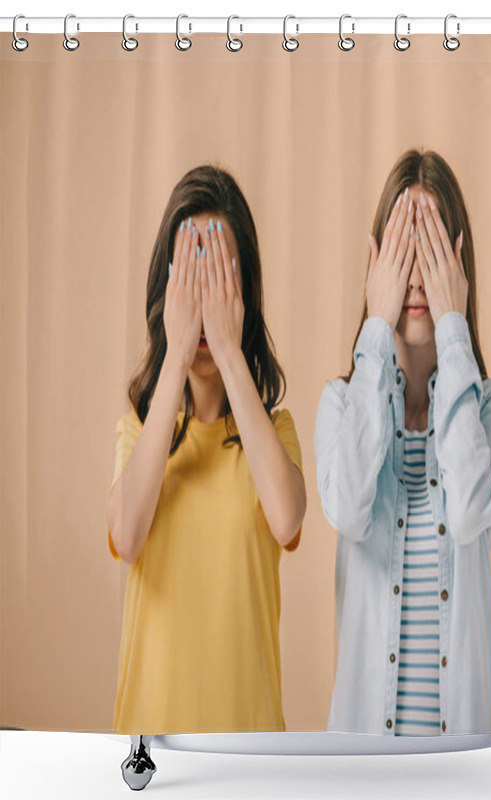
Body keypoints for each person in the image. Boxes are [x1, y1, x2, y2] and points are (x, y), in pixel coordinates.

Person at [314, 149, 491, 736]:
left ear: (458, 265)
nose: (415, 277)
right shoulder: (340, 403)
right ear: (376, 265)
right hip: (362, 767)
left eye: (428, 250)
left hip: (457, 766)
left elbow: (470, 510)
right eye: (403, 249)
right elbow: (349, 508)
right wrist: (376, 328)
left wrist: (454, 330)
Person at [106, 165, 306, 733]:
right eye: (188, 277)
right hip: (153, 749)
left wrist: (225, 343)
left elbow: (288, 517)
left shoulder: (276, 434)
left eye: (217, 275)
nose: (202, 299)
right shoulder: (137, 435)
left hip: (252, 751)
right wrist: (176, 351)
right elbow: (127, 534)